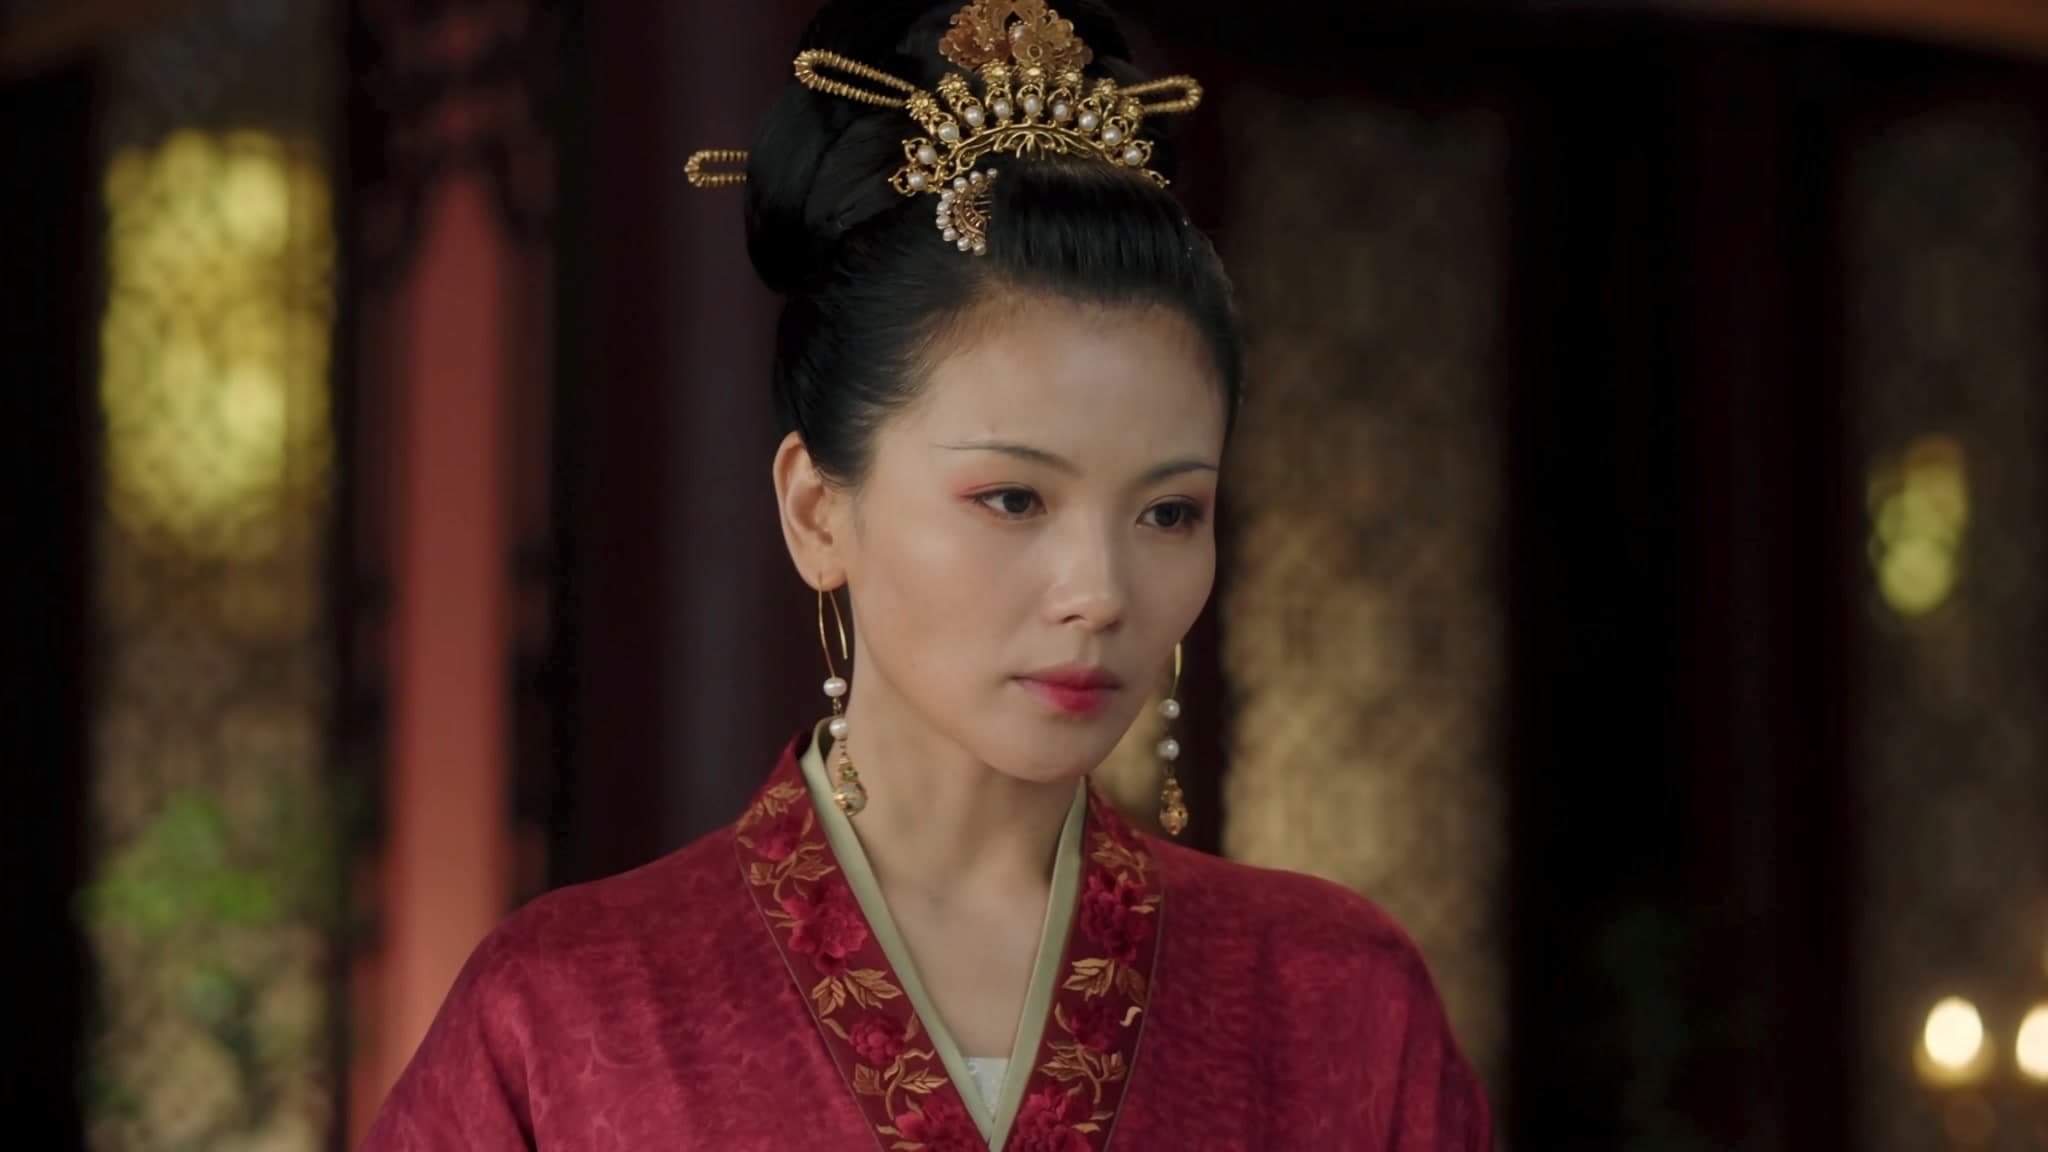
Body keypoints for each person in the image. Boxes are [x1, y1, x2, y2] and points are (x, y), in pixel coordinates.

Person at [363, 1, 1491, 1148]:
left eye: (1166, 512)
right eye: (1013, 498)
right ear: (817, 511)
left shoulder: (1335, 998)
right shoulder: (563, 1010)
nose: (1100, 591)